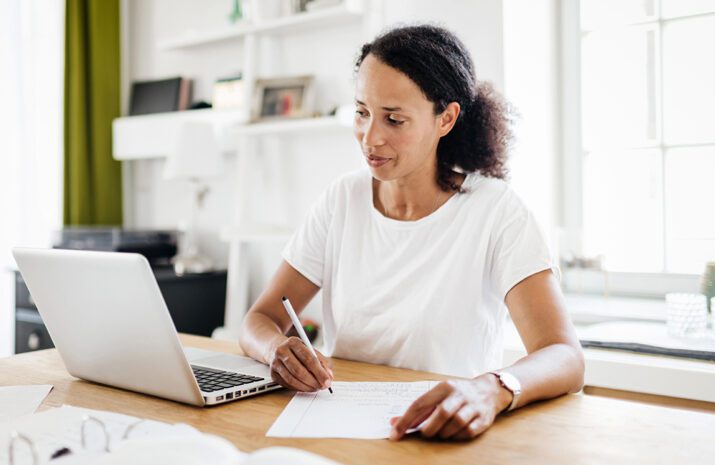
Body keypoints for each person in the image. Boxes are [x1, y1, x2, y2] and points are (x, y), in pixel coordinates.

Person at [239, 24, 585, 441]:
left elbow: (565, 356)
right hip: (341, 427)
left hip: (445, 434)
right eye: (362, 112)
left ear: (447, 118)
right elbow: (259, 319)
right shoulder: (342, 200)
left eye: (394, 119)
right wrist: (275, 350)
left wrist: (490, 388)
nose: (371, 137)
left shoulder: (496, 210)